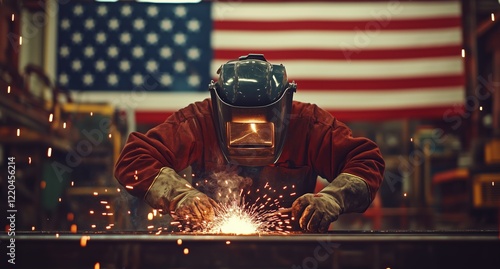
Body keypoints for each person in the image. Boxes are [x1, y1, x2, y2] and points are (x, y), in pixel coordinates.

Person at [114, 54, 385, 233]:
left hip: (295, 252)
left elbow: (366, 160)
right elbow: (134, 159)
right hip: (213, 255)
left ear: (282, 109)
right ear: (220, 109)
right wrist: (179, 195)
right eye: (239, 126)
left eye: (262, 125)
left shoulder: (307, 124)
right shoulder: (199, 121)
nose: (251, 135)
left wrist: (332, 198)